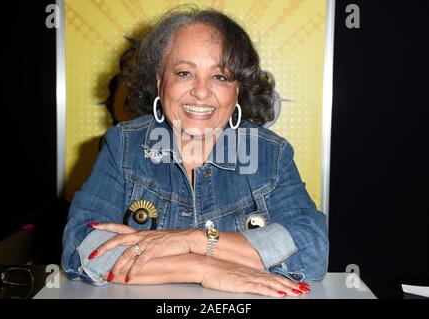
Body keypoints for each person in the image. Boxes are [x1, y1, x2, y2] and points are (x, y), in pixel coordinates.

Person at [61, 7, 328, 298]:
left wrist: (193, 240)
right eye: (184, 73)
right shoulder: (123, 146)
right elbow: (81, 246)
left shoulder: (270, 155)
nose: (201, 92)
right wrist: (202, 268)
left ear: (237, 90)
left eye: (220, 77)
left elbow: (312, 250)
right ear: (161, 82)